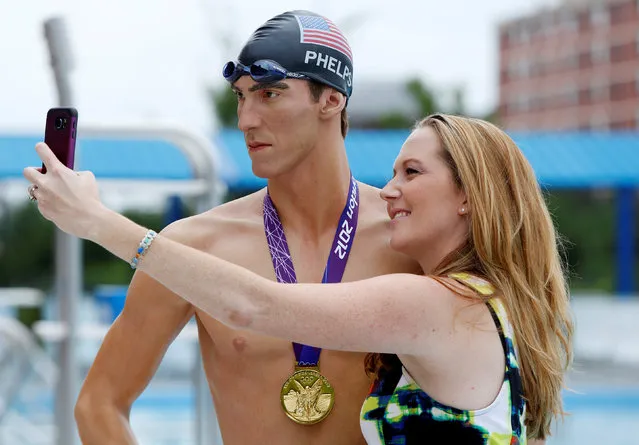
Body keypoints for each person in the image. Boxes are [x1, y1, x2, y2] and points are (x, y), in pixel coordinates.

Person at [25, 112, 573, 444]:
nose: (391, 190)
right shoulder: (489, 307)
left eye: (412, 172)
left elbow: (252, 306)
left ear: (468, 199)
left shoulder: (434, 304)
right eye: (391, 172)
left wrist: (98, 222)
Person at [46, 9, 421, 445]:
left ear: (332, 99)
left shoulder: (408, 239)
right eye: (241, 97)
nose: (245, 119)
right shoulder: (197, 245)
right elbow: (99, 403)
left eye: (269, 94)